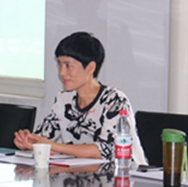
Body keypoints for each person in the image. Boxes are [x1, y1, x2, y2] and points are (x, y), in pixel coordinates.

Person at [14, 31, 147, 164]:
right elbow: (43, 137)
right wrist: (27, 140)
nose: (62, 72)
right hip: (81, 173)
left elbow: (106, 150)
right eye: (59, 64)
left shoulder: (114, 100)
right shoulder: (64, 100)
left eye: (68, 65)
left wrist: (52, 146)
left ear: (90, 67)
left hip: (125, 173)